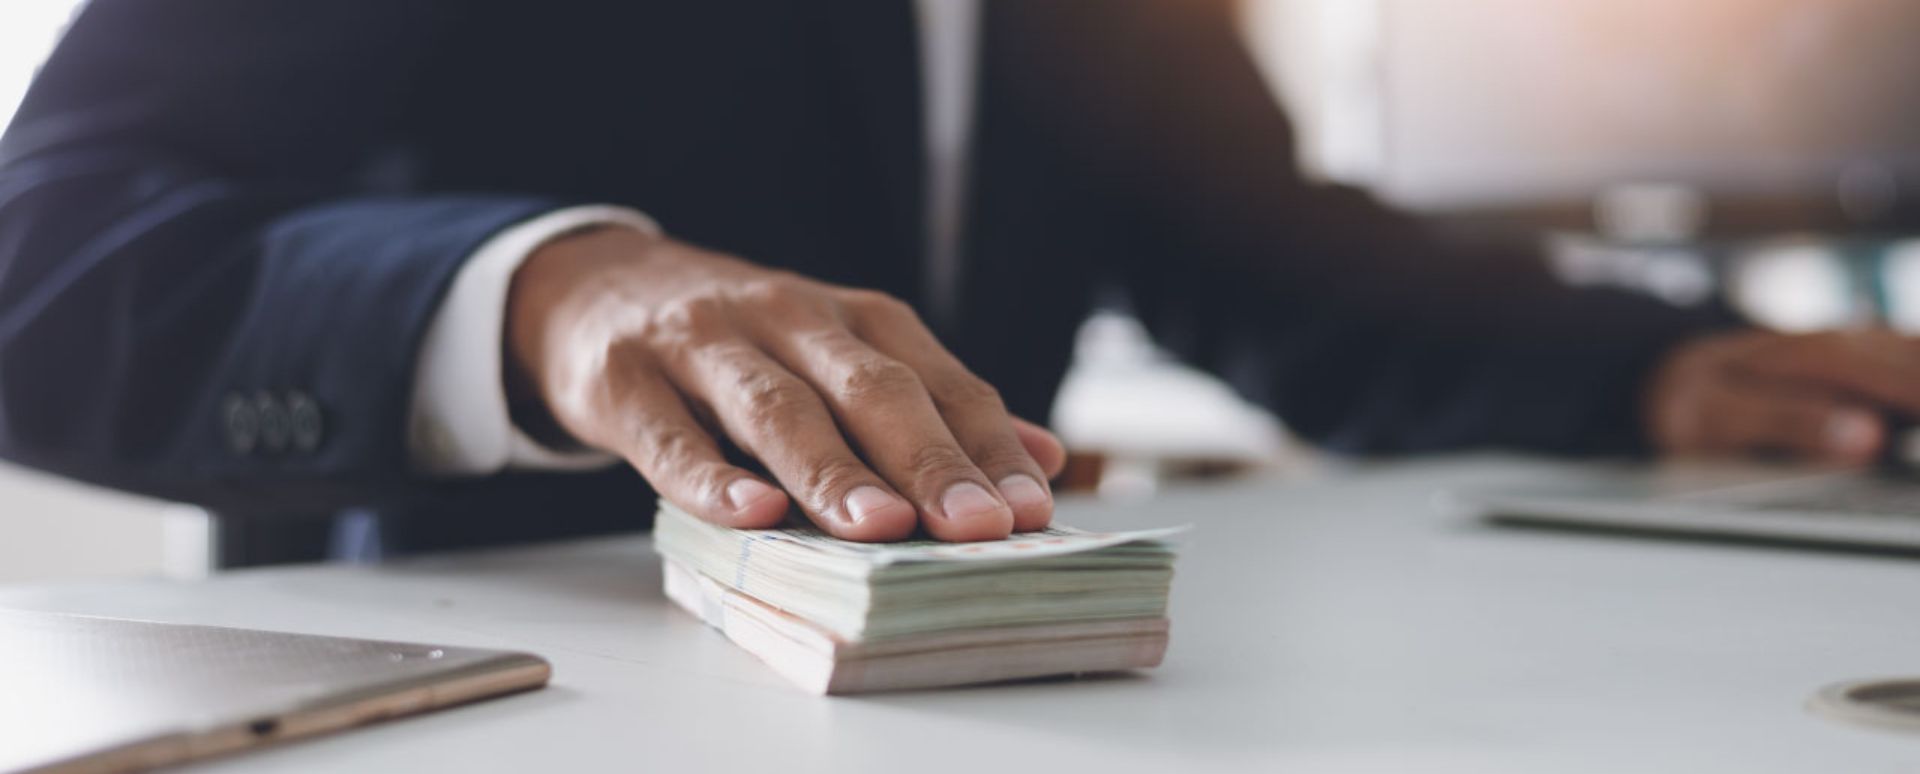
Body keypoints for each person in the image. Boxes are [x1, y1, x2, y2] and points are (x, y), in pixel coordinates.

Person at [0, 0, 1913, 561]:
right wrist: (545, 295)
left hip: (998, 714)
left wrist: (1662, 373)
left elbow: (1278, 265)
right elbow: (43, 249)